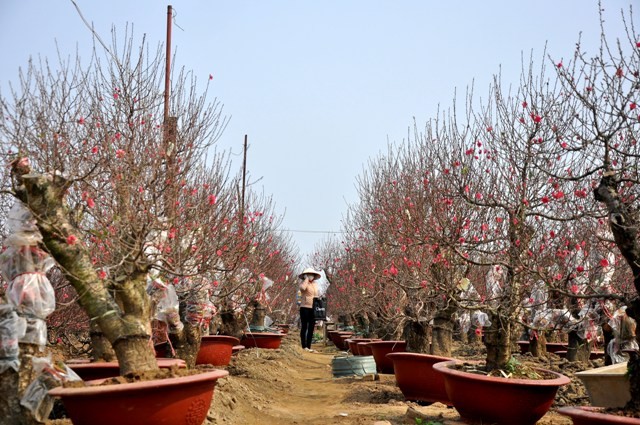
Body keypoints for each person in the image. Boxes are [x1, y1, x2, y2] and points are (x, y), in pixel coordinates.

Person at [298, 267, 321, 352]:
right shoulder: (303, 283)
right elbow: (302, 289)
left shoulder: (315, 284)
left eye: (312, 275)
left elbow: (316, 294)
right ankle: (304, 346)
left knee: (311, 327)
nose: (311, 276)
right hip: (304, 307)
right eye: (309, 275)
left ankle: (309, 346)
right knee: (304, 326)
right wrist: (306, 279)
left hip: (313, 307)